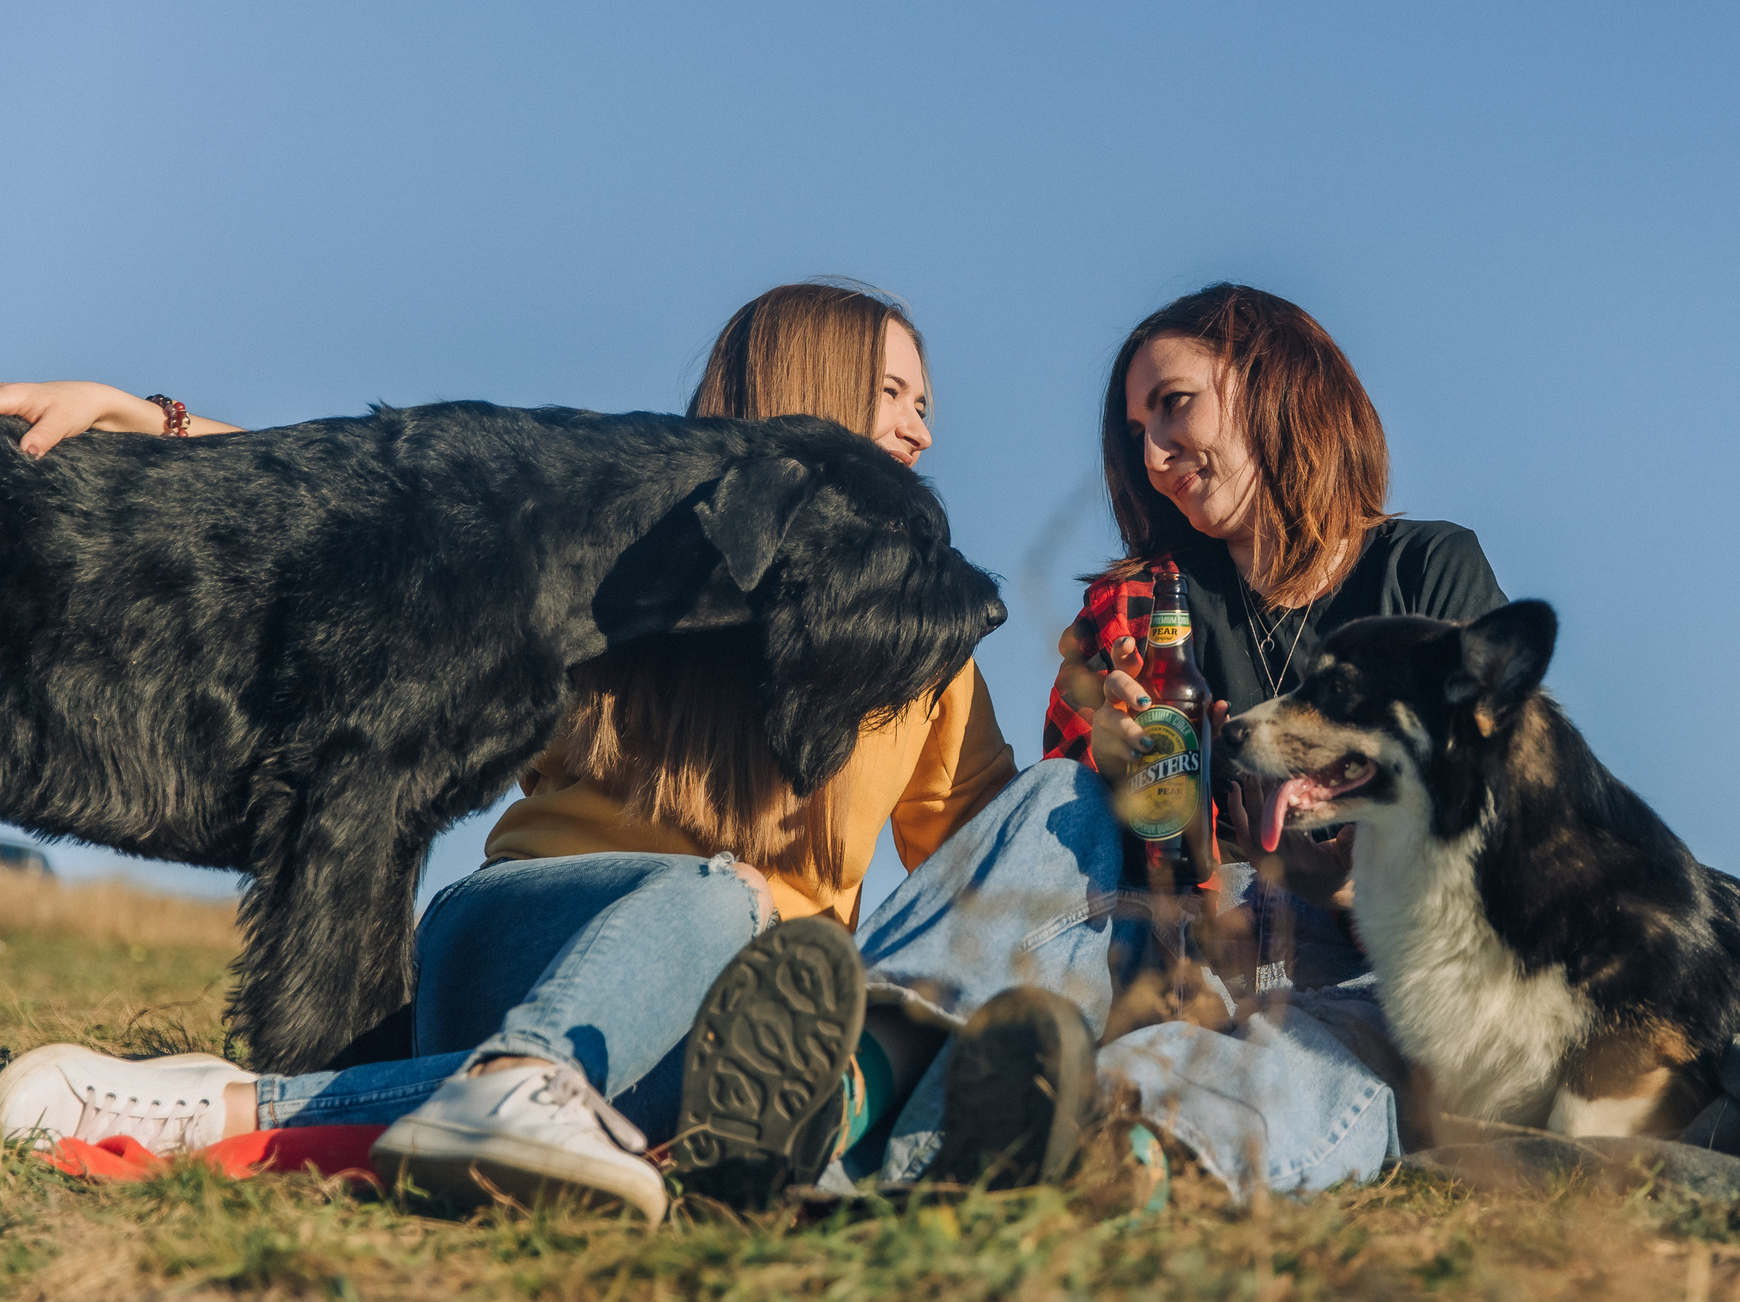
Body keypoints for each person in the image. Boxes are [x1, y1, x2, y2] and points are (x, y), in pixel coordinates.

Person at [0, 281, 1015, 1218]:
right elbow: (391, 512)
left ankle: (286, 1102)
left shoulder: (909, 661)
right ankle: (449, 1093)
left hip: (736, 1007)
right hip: (523, 946)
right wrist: (160, 425)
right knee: (723, 897)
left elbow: (988, 854)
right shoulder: (631, 562)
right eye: (890, 393)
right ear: (804, 404)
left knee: (767, 987)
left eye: (925, 405)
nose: (921, 430)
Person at [851, 282, 1508, 1200]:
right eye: (1137, 432)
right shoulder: (1138, 609)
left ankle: (1127, 1155)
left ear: (1275, 383)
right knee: (1060, 797)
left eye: (1175, 406)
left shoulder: (1427, 571)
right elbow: (1061, 868)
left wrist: (1353, 880)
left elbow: (1498, 846)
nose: (1155, 455)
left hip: (1365, 957)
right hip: (1164, 932)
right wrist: (1118, 775)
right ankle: (852, 1068)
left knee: (1339, 1032)